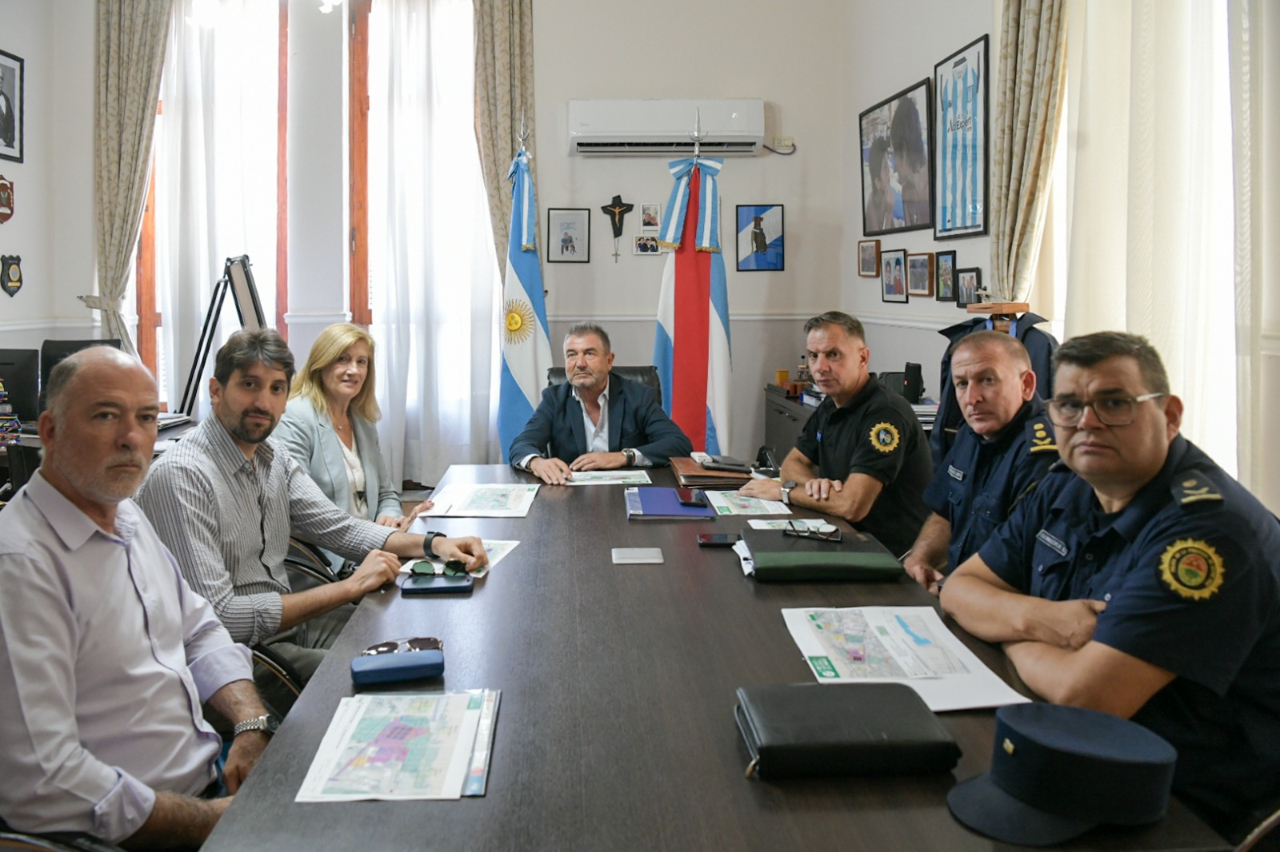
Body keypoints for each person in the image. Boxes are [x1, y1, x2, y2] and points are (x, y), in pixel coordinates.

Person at [940, 331, 1280, 842]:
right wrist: (1045, 620)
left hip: (1196, 801)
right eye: (1069, 405)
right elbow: (959, 588)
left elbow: (1085, 696)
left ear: (1169, 415)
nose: (1088, 422)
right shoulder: (1066, 484)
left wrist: (1006, 629)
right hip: (1076, 747)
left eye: (1115, 403)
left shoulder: (1207, 533)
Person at [0, 347, 270, 847]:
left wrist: (250, 725)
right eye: (106, 415)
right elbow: (44, 778)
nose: (131, 438)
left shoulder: (125, 513)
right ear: (51, 431)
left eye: (146, 418)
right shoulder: (20, 565)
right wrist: (206, 820)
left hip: (206, 783)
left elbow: (200, 630)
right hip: (131, 832)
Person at [138, 329, 487, 707]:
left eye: (276, 388)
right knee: (398, 684)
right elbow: (223, 619)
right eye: (249, 385)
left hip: (287, 626)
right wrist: (349, 587)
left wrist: (435, 544)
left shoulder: (272, 456)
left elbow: (339, 528)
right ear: (216, 390)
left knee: (422, 644)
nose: (263, 401)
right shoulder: (182, 476)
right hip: (234, 660)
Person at [739, 311, 932, 556]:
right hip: (843, 536)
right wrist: (814, 487)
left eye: (833, 354)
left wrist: (785, 492)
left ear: (863, 358)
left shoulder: (885, 415)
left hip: (889, 555)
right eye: (813, 355)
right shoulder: (832, 403)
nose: (820, 368)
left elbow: (852, 506)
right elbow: (792, 464)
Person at [902, 332, 1057, 594]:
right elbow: (944, 513)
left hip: (999, 602)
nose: (971, 398)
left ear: (1026, 384)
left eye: (987, 380)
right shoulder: (970, 432)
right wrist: (920, 559)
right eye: (962, 384)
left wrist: (952, 591)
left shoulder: (1040, 456)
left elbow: (1019, 563)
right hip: (957, 590)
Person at [274, 323, 431, 542]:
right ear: (320, 364)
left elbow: (386, 493)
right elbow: (302, 511)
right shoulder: (294, 417)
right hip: (329, 555)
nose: (354, 370)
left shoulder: (363, 421)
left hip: (372, 546)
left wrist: (391, 517)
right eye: (343, 359)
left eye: (361, 362)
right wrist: (377, 537)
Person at [509, 322, 692, 485]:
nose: (580, 363)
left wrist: (624, 457)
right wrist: (536, 462)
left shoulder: (638, 396)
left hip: (626, 493)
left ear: (609, 361)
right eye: (571, 355)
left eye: (589, 353)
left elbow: (678, 444)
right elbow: (522, 444)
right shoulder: (554, 399)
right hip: (570, 495)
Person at [890, 94, 930, 226]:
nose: (894, 166)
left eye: (894, 153)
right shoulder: (906, 192)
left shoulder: (936, 181)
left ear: (904, 151)